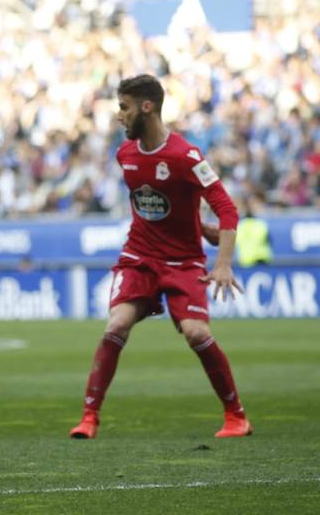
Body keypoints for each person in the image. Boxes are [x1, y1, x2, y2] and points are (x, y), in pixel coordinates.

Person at [69, 74, 253, 440]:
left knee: (196, 332)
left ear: (146, 107)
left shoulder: (186, 156)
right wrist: (200, 225)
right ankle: (89, 418)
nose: (119, 116)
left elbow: (228, 210)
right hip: (139, 257)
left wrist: (223, 263)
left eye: (124, 107)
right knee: (116, 324)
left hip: (183, 263)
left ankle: (236, 416)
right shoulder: (125, 155)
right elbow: (157, 205)